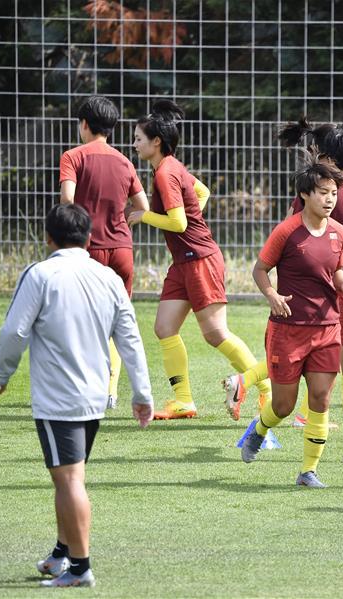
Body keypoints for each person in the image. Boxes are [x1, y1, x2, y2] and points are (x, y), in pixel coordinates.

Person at [225, 118, 343, 463]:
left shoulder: (322, 207)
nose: (329, 197)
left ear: (327, 159)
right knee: (311, 373)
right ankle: (257, 391)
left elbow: (295, 237)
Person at [0, 203, 154, 587]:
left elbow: (14, 331)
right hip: (95, 395)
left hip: (58, 398)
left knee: (69, 481)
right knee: (69, 476)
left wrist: (0, 376)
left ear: (48, 238)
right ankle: (62, 552)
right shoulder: (108, 277)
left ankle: (80, 568)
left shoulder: (40, 274)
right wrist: (142, 392)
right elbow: (129, 338)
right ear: (90, 238)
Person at [127, 100, 271, 420]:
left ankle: (266, 390)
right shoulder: (171, 167)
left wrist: (143, 215)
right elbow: (202, 192)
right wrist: (192, 217)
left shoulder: (166, 173)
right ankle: (184, 401)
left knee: (215, 333)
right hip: (184, 262)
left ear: (156, 142)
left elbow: (178, 223)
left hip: (200, 259)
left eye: (138, 138)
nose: (134, 144)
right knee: (164, 328)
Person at [239, 155, 343, 488]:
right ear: (305, 194)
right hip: (288, 330)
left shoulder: (339, 232)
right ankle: (259, 429)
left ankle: (308, 471)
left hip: (328, 328)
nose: (330, 199)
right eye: (323, 193)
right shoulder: (287, 231)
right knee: (283, 405)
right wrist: (272, 295)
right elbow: (260, 269)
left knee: (321, 398)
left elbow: (336, 271)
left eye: (333, 193)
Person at [59, 95, 149, 409]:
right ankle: (110, 390)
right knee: (117, 321)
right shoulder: (125, 162)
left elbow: (67, 200)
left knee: (81, 321)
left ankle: (86, 386)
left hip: (88, 249)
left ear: (84, 124)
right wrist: (119, 221)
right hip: (122, 249)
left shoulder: (73, 156)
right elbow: (143, 206)